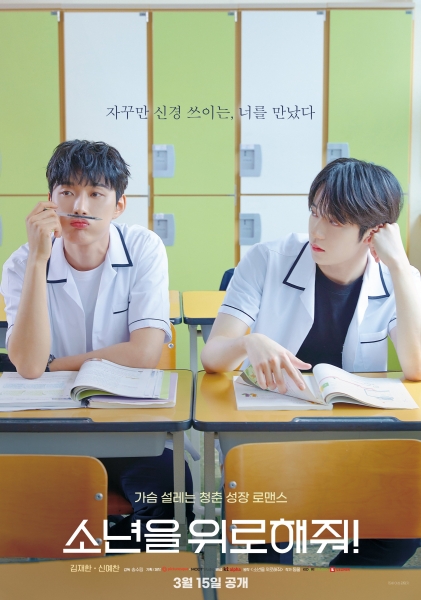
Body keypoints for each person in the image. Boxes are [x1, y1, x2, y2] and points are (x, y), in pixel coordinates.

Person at [201, 158, 421, 566]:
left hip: (355, 441)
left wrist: (401, 268)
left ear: (374, 233)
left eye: (334, 221)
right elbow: (212, 356)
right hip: (272, 440)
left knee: (403, 530)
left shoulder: (397, 279)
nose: (316, 230)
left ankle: (331, 583)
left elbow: (417, 367)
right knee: (268, 536)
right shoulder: (267, 259)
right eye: (314, 212)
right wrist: (249, 342)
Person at [0, 139, 195, 549]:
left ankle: (135, 570)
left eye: (95, 194)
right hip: (51, 430)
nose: (79, 206)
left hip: (128, 427)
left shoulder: (143, 248)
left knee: (170, 487)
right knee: (26, 499)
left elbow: (144, 353)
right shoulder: (21, 263)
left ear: (118, 205)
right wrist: (38, 259)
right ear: (50, 200)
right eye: (67, 192)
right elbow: (29, 365)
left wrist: (57, 364)